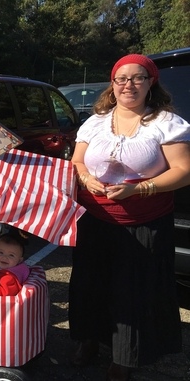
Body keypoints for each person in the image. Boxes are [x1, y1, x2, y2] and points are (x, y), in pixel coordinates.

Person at [69, 54, 190, 381]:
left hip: (143, 224)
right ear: (113, 84)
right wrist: (84, 178)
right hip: (93, 219)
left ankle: (123, 358)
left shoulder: (165, 122)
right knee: (90, 284)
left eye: (138, 78)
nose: (129, 85)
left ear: (151, 82)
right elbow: (77, 162)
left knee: (131, 292)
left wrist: (140, 189)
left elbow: (184, 171)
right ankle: (89, 340)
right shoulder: (95, 122)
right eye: (121, 78)